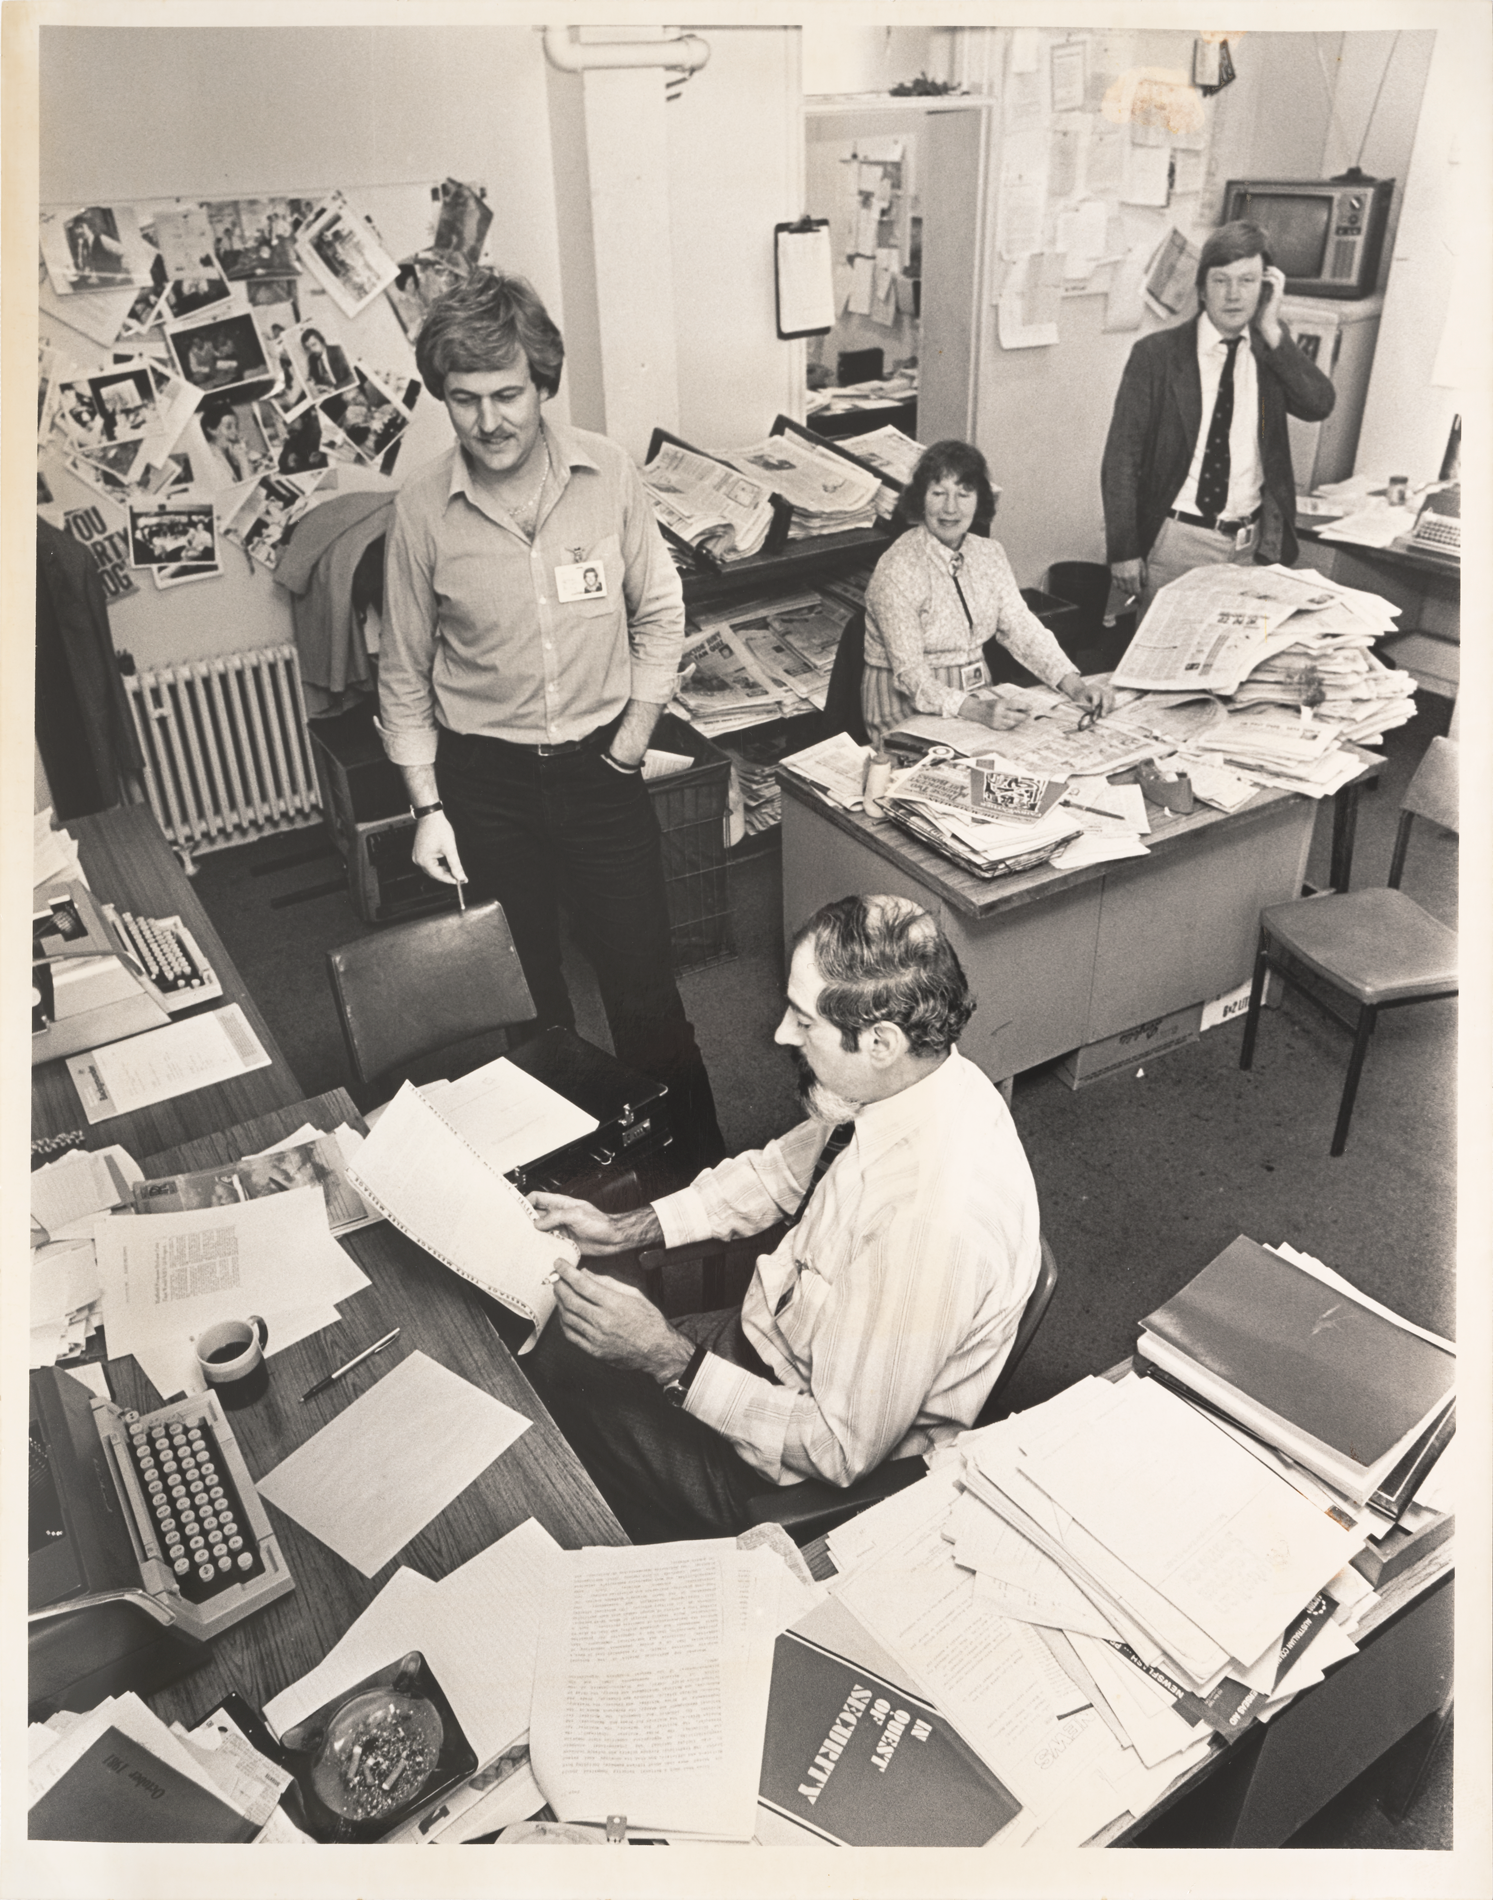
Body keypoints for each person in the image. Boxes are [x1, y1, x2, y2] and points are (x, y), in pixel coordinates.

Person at [524, 893, 1043, 1543]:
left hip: (788, 1462)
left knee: (556, 1396)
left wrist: (666, 1358)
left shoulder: (930, 1226)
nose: (779, 1036)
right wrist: (625, 1227)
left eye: (803, 1020)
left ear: (880, 1041)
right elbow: (774, 1174)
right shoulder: (907, 1083)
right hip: (770, 1345)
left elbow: (838, 1451)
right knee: (562, 1354)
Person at [379, 268, 725, 1172]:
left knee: (644, 991)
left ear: (541, 384)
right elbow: (404, 668)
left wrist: (631, 743)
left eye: (507, 394)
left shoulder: (607, 474)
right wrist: (426, 808)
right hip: (483, 783)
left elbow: (659, 612)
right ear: (443, 398)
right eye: (464, 399)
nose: (488, 420)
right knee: (529, 999)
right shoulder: (420, 509)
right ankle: (572, 1185)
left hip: (600, 769)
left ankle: (694, 1183)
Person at [1101, 219, 1337, 615]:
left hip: (1252, 546)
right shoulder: (1157, 356)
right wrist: (1123, 550)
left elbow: (1319, 405)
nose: (1233, 294)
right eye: (1221, 280)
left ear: (1265, 287)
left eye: (1247, 281)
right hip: (1177, 542)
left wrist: (1273, 330)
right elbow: (1121, 458)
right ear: (1201, 289)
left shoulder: (1269, 351)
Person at [862, 440, 1115, 750]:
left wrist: (1075, 687)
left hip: (976, 693)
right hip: (907, 703)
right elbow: (910, 675)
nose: (950, 508)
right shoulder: (897, 567)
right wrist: (978, 711)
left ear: (979, 499)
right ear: (921, 499)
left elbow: (1021, 628)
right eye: (938, 493)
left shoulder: (989, 553)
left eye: (963, 494)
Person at [200, 402, 249, 483]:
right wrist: (243, 461)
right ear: (212, 430)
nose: (235, 432)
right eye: (228, 427)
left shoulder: (229, 451)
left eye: (236, 426)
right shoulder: (211, 459)